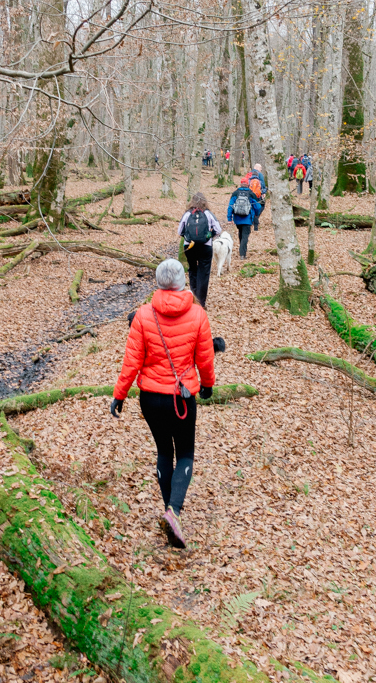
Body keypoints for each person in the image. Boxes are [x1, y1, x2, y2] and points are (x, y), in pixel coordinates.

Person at [110, 259, 216, 549]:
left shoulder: (143, 315)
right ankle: (174, 511)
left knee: (163, 452)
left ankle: (171, 512)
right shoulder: (198, 315)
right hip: (181, 398)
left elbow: (132, 361)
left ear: (157, 282)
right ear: (183, 282)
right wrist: (207, 385)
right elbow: (205, 358)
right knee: (184, 454)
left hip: (150, 398)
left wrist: (120, 395)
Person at [178, 191, 222, 307]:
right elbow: (218, 229)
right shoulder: (208, 213)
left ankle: (193, 300)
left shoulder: (187, 214)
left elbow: (180, 231)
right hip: (205, 246)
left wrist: (188, 237)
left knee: (192, 270)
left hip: (189, 246)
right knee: (204, 272)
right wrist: (208, 236)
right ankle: (201, 303)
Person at [227, 180, 262, 260]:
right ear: (248, 184)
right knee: (245, 236)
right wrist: (256, 214)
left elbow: (230, 206)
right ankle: (242, 254)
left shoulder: (235, 193)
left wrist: (230, 218)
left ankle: (241, 250)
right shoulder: (251, 194)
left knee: (241, 233)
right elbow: (258, 206)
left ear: (240, 184)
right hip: (248, 219)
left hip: (237, 219)